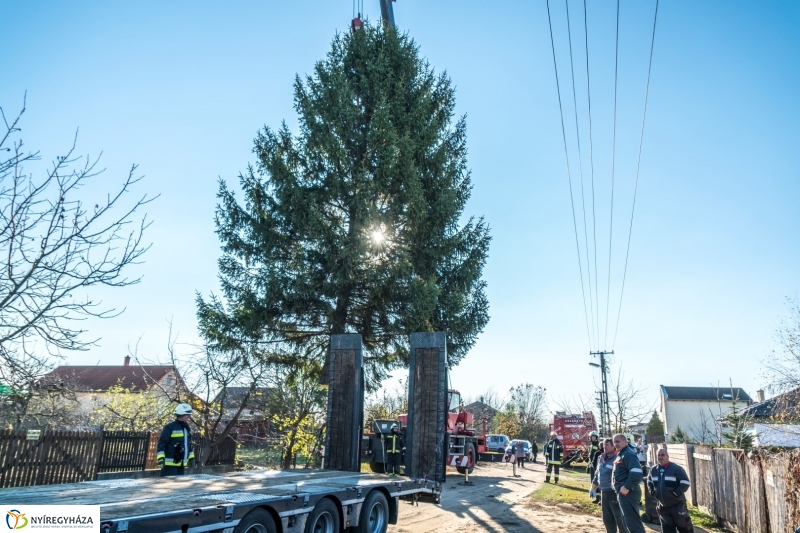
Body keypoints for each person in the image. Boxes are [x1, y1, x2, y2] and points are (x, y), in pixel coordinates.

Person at [647, 448, 694, 533]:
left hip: (677, 506)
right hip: (663, 507)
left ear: (667, 456)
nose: (660, 457)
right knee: (667, 530)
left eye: (663, 455)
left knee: (685, 529)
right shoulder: (653, 470)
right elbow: (649, 482)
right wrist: (653, 492)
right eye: (659, 455)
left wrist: (676, 492)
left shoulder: (676, 469)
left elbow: (685, 482)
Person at [590, 438, 626, 533]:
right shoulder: (601, 457)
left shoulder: (617, 458)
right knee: (607, 519)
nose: (604, 447)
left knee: (620, 520)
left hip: (613, 493)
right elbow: (597, 473)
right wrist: (593, 488)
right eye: (604, 444)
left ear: (613, 446)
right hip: (604, 493)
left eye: (607, 445)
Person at [612, 432, 645, 533]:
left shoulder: (628, 454)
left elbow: (637, 473)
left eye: (618, 441)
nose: (616, 444)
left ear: (625, 441)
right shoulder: (621, 454)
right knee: (628, 522)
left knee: (633, 524)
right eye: (614, 442)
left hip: (629, 493)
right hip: (624, 493)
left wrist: (626, 487)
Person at [157, 403, 195, 477]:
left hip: (181, 465)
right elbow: (162, 443)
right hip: (169, 466)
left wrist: (191, 458)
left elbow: (188, 445)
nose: (189, 416)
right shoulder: (169, 427)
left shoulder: (186, 428)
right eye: (188, 415)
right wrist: (161, 458)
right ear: (182, 415)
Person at [587, 430, 602, 502]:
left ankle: (599, 498)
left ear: (596, 437)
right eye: (591, 437)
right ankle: (596, 497)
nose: (592, 438)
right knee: (593, 481)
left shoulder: (598, 445)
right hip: (592, 466)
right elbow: (590, 458)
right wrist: (588, 466)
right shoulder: (591, 446)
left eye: (594, 437)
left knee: (597, 482)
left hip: (597, 466)